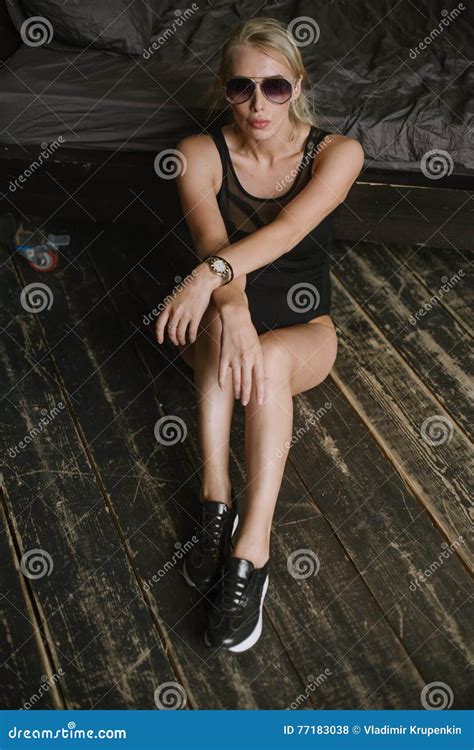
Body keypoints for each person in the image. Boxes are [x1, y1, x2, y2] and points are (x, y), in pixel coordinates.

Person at [155, 17, 364, 653]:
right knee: (225, 323)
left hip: (306, 331)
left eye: (274, 87)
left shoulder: (337, 152)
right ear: (226, 89)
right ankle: (216, 496)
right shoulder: (196, 153)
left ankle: (253, 548)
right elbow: (214, 243)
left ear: (296, 85)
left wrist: (207, 279)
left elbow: (287, 232)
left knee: (269, 357)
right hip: (222, 321)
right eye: (242, 87)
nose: (258, 103)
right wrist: (230, 305)